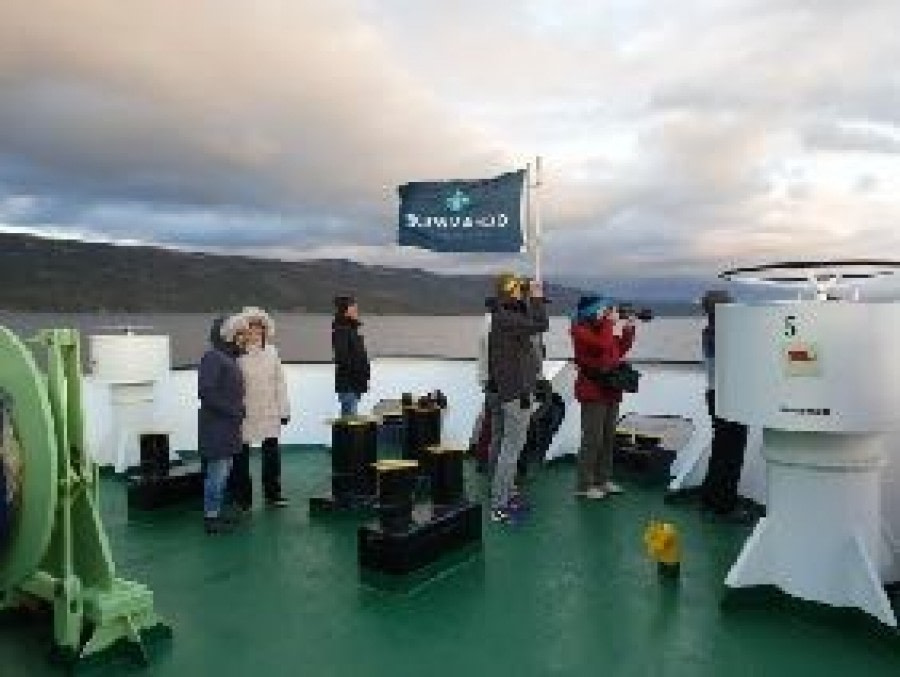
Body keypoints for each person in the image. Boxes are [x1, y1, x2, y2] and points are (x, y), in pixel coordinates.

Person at [487, 273, 549, 523]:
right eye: (518, 289)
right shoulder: (506, 318)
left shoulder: (506, 316)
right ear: (510, 291)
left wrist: (528, 299)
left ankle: (505, 495)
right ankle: (498, 505)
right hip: (514, 393)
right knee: (510, 449)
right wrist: (536, 297)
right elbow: (541, 323)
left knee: (510, 446)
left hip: (516, 390)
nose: (520, 292)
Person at [570, 296, 636, 500]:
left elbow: (618, 349)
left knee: (608, 438)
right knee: (592, 439)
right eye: (602, 309)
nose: (606, 312)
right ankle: (584, 484)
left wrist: (629, 329)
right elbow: (602, 345)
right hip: (592, 391)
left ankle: (602, 479)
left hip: (610, 389)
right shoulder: (580, 330)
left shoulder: (602, 328)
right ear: (591, 311)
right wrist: (609, 322)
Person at [227, 307, 291, 510]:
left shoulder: (272, 352)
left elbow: (279, 383)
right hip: (245, 413)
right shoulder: (236, 355)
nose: (255, 334)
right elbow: (230, 385)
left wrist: (284, 410)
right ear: (243, 332)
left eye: (258, 330)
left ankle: (273, 495)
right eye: (251, 330)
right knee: (241, 456)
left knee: (272, 454)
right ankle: (243, 499)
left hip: (269, 410)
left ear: (265, 331)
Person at [698, 290, 752, 523]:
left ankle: (710, 497)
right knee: (732, 453)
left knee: (721, 449)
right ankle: (725, 506)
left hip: (716, 395)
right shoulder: (726, 335)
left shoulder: (709, 332)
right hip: (730, 397)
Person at [198, 315, 248, 534]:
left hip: (227, 427)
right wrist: (234, 411)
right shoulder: (213, 358)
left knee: (224, 472)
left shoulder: (228, 358)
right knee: (216, 474)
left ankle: (217, 511)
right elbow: (206, 392)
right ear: (228, 334)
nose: (245, 338)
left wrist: (237, 411)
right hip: (216, 428)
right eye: (241, 333)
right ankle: (211, 517)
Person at [332, 295, 370, 416]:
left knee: (351, 419)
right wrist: (359, 373)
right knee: (349, 421)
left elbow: (357, 356)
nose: (356, 311)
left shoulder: (351, 329)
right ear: (346, 310)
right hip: (349, 385)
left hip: (354, 385)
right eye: (354, 308)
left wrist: (363, 374)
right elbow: (342, 358)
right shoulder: (341, 330)